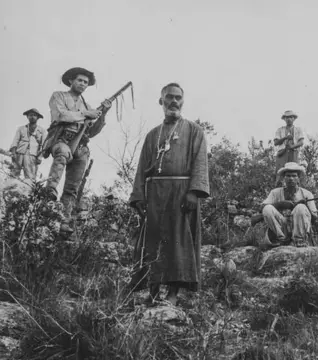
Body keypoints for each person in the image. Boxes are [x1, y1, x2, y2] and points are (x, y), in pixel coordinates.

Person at [128, 83, 210, 306]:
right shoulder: (152, 135)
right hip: (154, 194)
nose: (174, 102)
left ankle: (173, 295)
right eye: (169, 97)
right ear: (161, 101)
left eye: (178, 98)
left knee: (177, 242)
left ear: (183, 101)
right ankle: (153, 293)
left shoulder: (194, 131)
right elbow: (141, 167)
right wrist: (139, 197)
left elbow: (200, 163)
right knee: (153, 240)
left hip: (181, 193)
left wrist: (194, 192)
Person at [43, 67, 112, 233]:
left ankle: (64, 220)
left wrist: (102, 114)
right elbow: (61, 115)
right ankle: (49, 191)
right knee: (62, 154)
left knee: (73, 187)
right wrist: (86, 114)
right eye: (80, 80)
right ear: (71, 80)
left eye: (86, 82)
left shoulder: (86, 105)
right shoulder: (59, 96)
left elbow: (92, 132)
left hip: (80, 146)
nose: (82, 84)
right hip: (61, 139)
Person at [261, 162, 318, 247]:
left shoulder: (307, 194)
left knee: (300, 207)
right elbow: (262, 207)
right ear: (284, 178)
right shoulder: (275, 192)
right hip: (281, 226)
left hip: (299, 226)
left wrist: (305, 207)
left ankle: (299, 240)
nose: (291, 178)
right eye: (288, 176)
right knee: (267, 209)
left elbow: (314, 218)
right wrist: (281, 204)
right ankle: (280, 239)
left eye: (294, 176)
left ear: (298, 178)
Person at [9, 108, 46, 180]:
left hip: (32, 155)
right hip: (19, 153)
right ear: (27, 117)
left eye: (34, 115)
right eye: (30, 115)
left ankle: (28, 190)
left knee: (30, 175)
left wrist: (40, 157)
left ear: (38, 118)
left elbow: (44, 145)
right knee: (14, 173)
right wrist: (13, 153)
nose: (32, 117)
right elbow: (15, 141)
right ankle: (11, 189)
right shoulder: (21, 128)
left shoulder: (42, 130)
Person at [273, 110, 305, 183]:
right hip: (282, 153)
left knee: (294, 172)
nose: (289, 119)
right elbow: (276, 142)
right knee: (280, 172)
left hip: (294, 152)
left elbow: (301, 142)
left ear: (294, 118)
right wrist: (285, 138)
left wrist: (292, 147)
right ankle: (278, 190)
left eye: (290, 117)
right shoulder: (280, 130)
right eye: (287, 117)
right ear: (284, 119)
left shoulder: (298, 129)